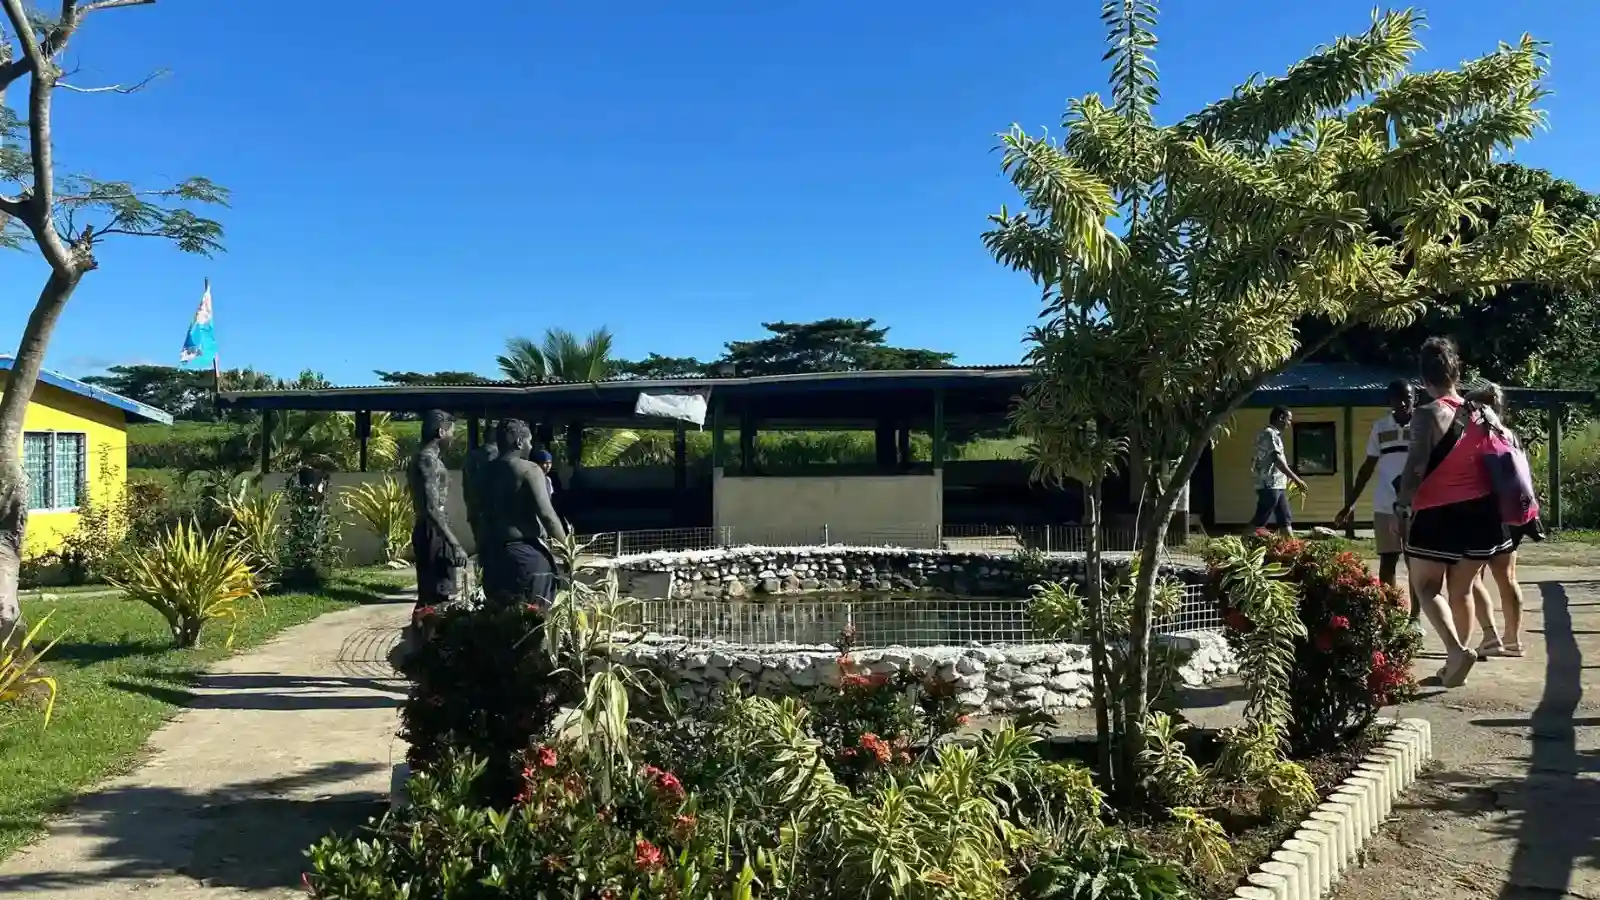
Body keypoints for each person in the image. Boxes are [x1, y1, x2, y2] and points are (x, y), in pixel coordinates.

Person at [1396, 337, 1511, 688]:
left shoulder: (1427, 414)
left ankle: (1456, 651)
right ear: (1457, 372)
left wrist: (1402, 503)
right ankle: (1455, 662)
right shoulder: (1483, 412)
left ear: (1423, 378)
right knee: (1462, 590)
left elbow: (1416, 466)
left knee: (1427, 587)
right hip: (1482, 514)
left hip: (1437, 512)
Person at [1463, 383, 1541, 659]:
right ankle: (1513, 640)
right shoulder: (1509, 435)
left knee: (1468, 576)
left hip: (1490, 513)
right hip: (1518, 514)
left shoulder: (1477, 435)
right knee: (1507, 578)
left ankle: (1489, 636)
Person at [1337, 381, 1416, 606]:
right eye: (1396, 398)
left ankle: (1415, 617)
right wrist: (1349, 504)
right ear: (1389, 401)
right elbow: (1367, 467)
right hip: (1385, 505)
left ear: (1414, 399)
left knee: (1416, 563)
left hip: (1417, 506)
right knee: (1388, 561)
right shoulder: (1380, 427)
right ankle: (1390, 611)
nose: (1401, 403)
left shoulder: (1423, 427)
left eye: (1407, 398)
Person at [479, 419, 568, 609]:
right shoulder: (529, 469)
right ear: (519, 442)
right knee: (533, 619)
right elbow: (547, 515)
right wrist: (568, 549)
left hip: (492, 554)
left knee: (500, 620)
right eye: (528, 441)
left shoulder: (484, 472)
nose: (529, 446)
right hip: (524, 555)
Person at [406, 409, 467, 609]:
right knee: (437, 596)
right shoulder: (428, 460)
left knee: (434, 595)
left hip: (433, 529)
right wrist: (455, 543)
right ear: (441, 432)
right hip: (433, 531)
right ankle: (429, 638)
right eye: (451, 432)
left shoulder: (426, 458)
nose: (453, 437)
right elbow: (431, 507)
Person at [1249, 406, 1308, 534]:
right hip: (1269, 484)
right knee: (1261, 518)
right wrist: (1296, 479)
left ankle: (1293, 550)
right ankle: (1243, 542)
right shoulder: (1269, 434)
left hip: (1278, 484)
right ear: (1281, 418)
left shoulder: (1274, 435)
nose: (1289, 423)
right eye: (1289, 419)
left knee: (1285, 519)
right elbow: (1277, 460)